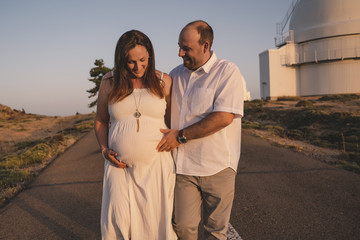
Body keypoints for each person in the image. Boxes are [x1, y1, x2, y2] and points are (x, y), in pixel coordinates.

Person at [157, 20, 244, 239]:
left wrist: (180, 136)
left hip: (218, 167)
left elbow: (223, 117)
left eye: (186, 48)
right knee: (183, 228)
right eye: (179, 46)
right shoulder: (174, 75)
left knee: (216, 231)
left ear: (205, 46)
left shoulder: (227, 71)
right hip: (183, 168)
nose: (180, 53)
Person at [94, 30, 177, 240]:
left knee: (154, 225)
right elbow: (101, 121)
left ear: (150, 55)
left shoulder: (163, 81)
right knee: (118, 222)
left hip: (156, 166)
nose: (138, 67)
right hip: (117, 166)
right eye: (131, 62)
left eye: (142, 60)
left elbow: (174, 123)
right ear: (121, 60)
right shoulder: (109, 82)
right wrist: (104, 150)